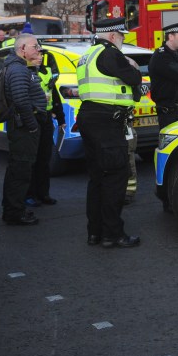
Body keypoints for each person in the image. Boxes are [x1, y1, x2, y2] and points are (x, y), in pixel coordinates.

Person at [76, 17, 142, 248]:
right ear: (113, 35)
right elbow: (133, 78)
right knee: (115, 177)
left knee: (97, 179)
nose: (123, 40)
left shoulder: (87, 54)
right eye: (122, 36)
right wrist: (132, 65)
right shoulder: (111, 53)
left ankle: (95, 232)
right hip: (107, 121)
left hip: (90, 118)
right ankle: (113, 234)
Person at [1, 33, 47, 226]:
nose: (38, 50)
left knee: (18, 168)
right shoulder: (18, 70)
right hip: (23, 127)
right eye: (35, 47)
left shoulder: (20, 67)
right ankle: (14, 213)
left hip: (22, 125)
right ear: (22, 49)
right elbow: (20, 100)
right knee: (20, 170)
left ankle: (13, 209)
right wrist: (32, 125)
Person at [26, 49, 64, 208]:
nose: (40, 58)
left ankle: (43, 194)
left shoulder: (47, 71)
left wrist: (60, 116)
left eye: (41, 55)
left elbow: (54, 95)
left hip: (46, 117)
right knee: (31, 159)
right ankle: (30, 195)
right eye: (37, 56)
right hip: (32, 117)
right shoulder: (25, 73)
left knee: (44, 157)